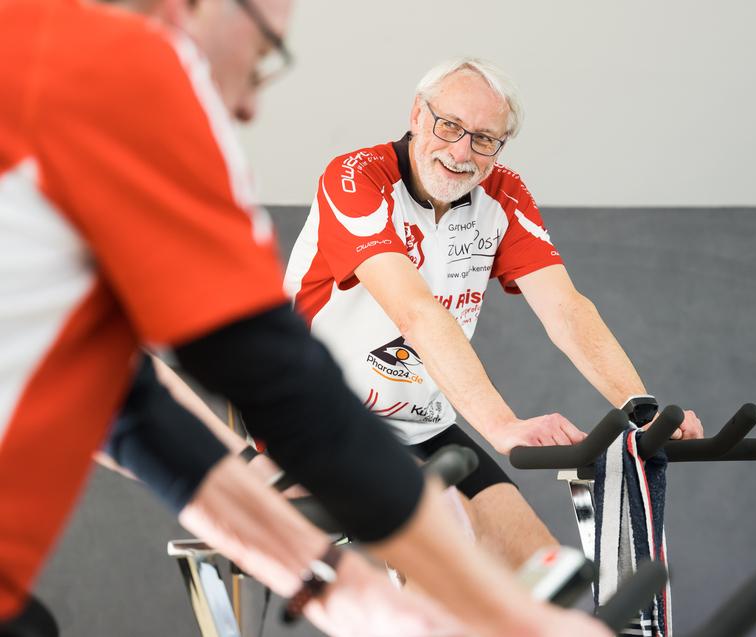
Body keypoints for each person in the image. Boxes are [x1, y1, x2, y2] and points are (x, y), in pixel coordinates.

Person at [0, 3, 610, 636]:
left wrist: (328, 582)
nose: (248, 110)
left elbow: (124, 400)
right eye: (266, 54)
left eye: (484, 138)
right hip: (352, 420)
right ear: (190, 8)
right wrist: (492, 609)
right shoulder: (121, 67)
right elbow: (279, 377)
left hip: (414, 424)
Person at [285, 57, 705, 568]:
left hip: (422, 426)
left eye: (484, 139)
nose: (461, 152)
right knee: (448, 561)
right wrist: (503, 427)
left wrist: (640, 409)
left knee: (540, 571)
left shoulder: (502, 192)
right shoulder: (355, 179)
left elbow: (565, 308)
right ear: (418, 114)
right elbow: (416, 312)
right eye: (450, 126)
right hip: (319, 418)